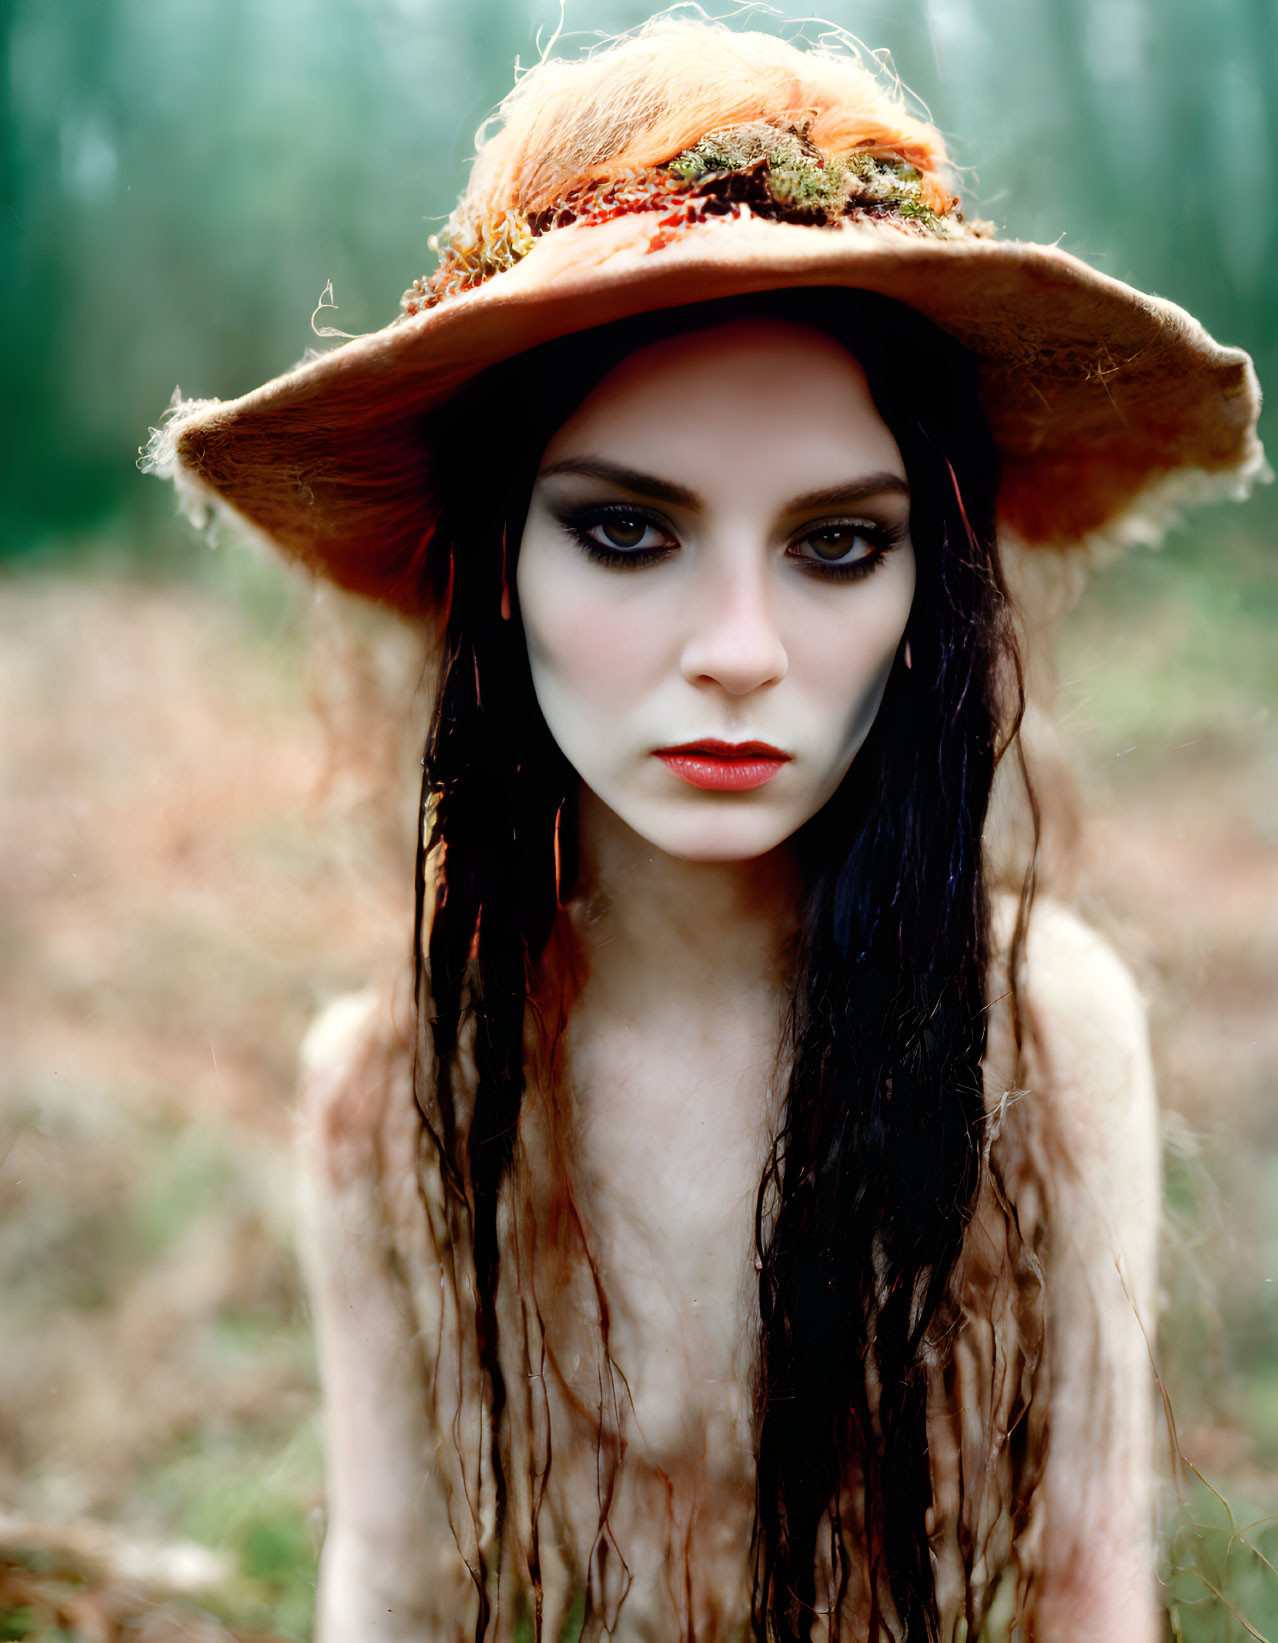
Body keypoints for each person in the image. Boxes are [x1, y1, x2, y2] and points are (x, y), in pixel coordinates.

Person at [144, 19, 1264, 1642]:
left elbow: (1093, 1592)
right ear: (491, 566)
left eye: (833, 545)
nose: (737, 645)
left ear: (927, 590)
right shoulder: (389, 1098)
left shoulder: (1038, 1034)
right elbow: (385, 1584)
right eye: (624, 528)